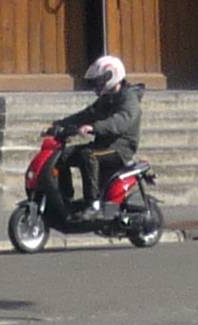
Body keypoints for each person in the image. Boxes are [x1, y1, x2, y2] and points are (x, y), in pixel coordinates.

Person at [51, 52, 144, 212]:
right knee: (60, 156)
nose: (97, 85)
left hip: (120, 148)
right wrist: (60, 124)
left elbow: (120, 121)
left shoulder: (129, 98)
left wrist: (94, 127)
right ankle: (66, 199)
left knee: (89, 155)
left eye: (100, 81)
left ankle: (92, 203)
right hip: (103, 145)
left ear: (112, 76)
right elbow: (87, 114)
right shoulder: (106, 98)